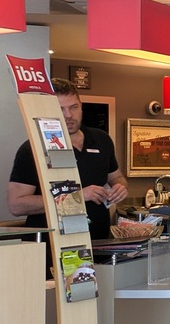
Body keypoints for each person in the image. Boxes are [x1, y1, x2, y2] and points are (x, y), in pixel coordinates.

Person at [8, 77, 128, 243]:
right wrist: (78, 196)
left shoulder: (101, 140)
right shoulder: (33, 148)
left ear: (81, 106)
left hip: (97, 243)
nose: (68, 115)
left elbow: (116, 177)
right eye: (60, 109)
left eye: (74, 107)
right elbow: (16, 205)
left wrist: (120, 187)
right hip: (52, 245)